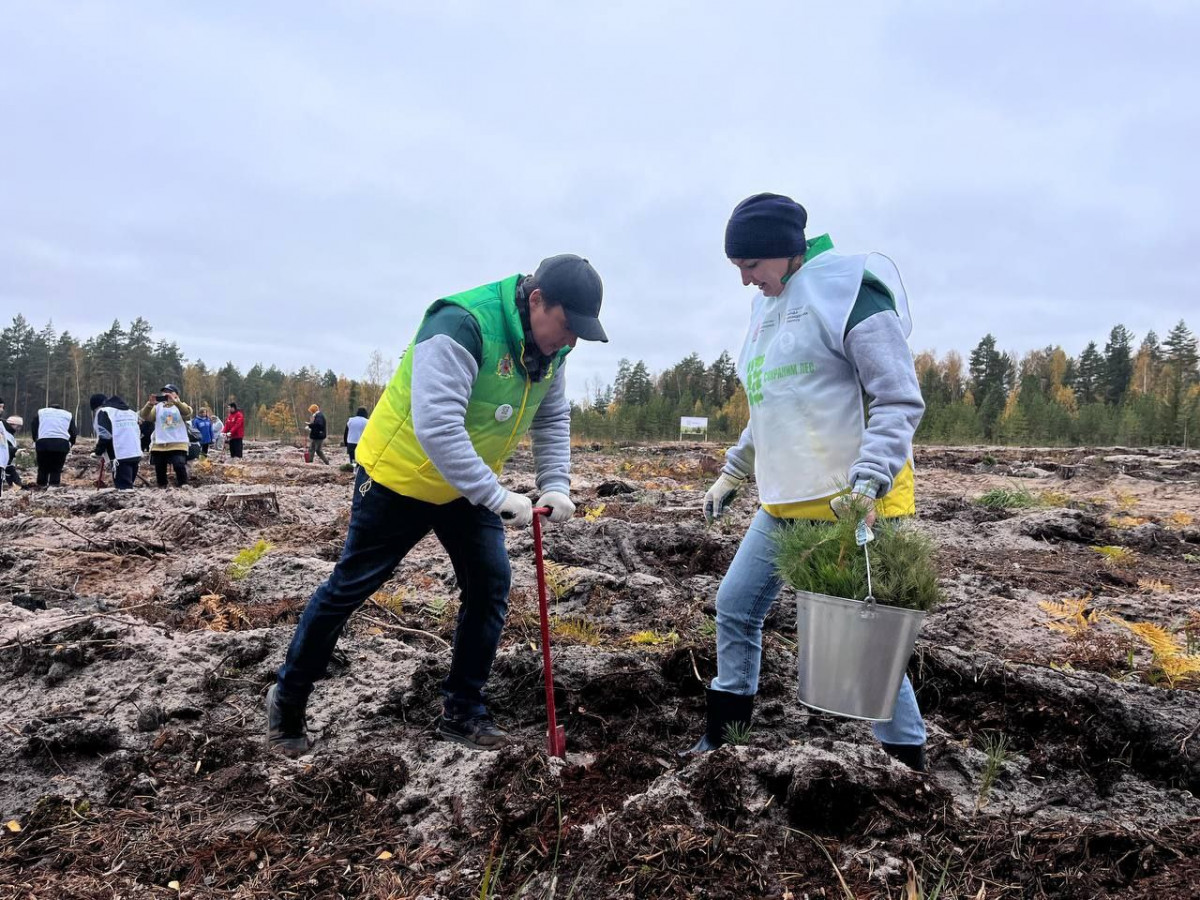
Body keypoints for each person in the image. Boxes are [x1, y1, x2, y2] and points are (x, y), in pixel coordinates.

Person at [267, 253, 607, 756]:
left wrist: (554, 482)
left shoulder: (551, 350)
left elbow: (551, 417)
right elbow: (437, 427)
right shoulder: (460, 326)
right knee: (352, 586)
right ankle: (288, 698)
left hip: (463, 487)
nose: (572, 340)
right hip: (397, 479)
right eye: (567, 325)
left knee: (490, 584)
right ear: (536, 301)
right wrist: (495, 497)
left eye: (581, 331)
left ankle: (463, 709)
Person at [689, 193, 928, 771]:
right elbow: (773, 403)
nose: (746, 280)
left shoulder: (851, 292)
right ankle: (726, 736)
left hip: (851, 503)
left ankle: (906, 758)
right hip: (784, 499)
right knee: (736, 605)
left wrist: (868, 482)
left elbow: (897, 398)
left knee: (861, 639)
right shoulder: (769, 306)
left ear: (782, 251)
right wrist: (733, 471)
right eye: (738, 269)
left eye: (751, 266)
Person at [140, 385, 193, 488]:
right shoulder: (158, 407)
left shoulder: (182, 405)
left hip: (178, 442)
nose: (166, 394)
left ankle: (183, 484)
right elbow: (145, 416)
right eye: (164, 392)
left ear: (176, 394)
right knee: (159, 467)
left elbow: (187, 413)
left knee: (179, 464)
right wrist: (149, 404)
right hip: (160, 442)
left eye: (169, 391)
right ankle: (162, 485)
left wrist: (176, 402)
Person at [96, 396, 143, 489]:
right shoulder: (132, 413)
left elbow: (105, 435)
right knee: (129, 487)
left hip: (120, 456)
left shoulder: (106, 412)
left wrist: (98, 451)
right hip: (136, 454)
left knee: (124, 489)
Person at [31, 404, 77, 488]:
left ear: (49, 407)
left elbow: (34, 426)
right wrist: (71, 443)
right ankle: (54, 486)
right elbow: (73, 431)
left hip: (43, 442)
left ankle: (41, 485)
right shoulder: (68, 414)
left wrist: (35, 439)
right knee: (56, 467)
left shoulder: (41, 412)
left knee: (42, 467)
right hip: (61, 443)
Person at [89, 393, 115, 487]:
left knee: (117, 468)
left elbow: (105, 434)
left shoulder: (102, 412)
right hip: (131, 446)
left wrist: (98, 451)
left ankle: (121, 487)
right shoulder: (116, 410)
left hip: (115, 447)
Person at [0, 415, 19, 496]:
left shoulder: (8, 433)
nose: (18, 429)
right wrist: (16, 451)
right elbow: (5, 446)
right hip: (5, 463)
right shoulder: (5, 432)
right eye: (17, 426)